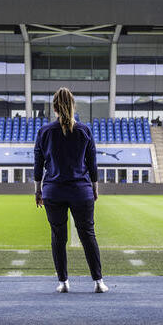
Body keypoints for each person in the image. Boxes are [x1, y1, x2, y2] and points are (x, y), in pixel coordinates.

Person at [33, 87, 108, 294]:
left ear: (54, 107)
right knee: (88, 235)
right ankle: (98, 282)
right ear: (73, 106)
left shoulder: (45, 131)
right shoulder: (84, 130)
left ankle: (63, 282)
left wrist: (37, 191)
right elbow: (92, 164)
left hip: (53, 191)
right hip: (80, 190)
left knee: (58, 237)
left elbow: (38, 165)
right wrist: (94, 188)